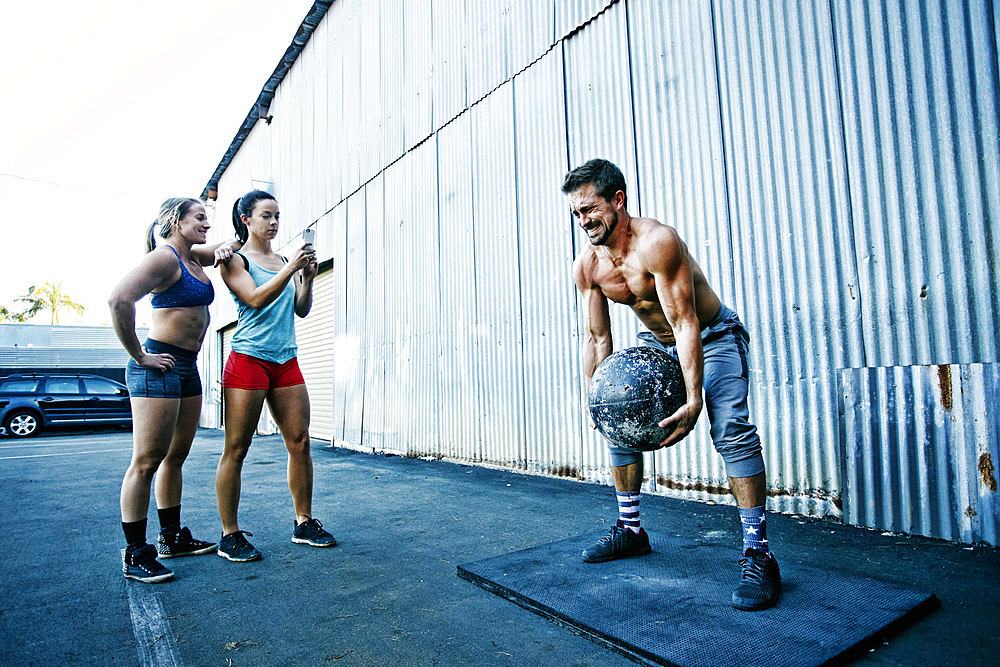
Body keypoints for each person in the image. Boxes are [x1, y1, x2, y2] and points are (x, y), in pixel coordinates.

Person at [564, 159, 780, 611]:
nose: (583, 222)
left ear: (618, 200)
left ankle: (758, 553)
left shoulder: (657, 242)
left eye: (590, 210)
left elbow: (686, 322)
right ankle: (631, 530)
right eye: (576, 214)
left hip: (712, 335)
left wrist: (695, 395)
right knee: (616, 416)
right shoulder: (588, 266)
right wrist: (594, 397)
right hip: (655, 342)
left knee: (731, 431)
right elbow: (597, 337)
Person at [109, 197, 241, 583]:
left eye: (207, 219)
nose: (206, 224)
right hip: (159, 365)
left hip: (186, 367)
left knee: (175, 457)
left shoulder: (192, 256)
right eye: (199, 218)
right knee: (147, 460)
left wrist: (234, 241)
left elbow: (221, 249)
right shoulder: (165, 258)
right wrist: (140, 355)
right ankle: (135, 553)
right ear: (175, 221)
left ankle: (171, 537)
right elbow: (119, 299)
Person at [214, 189, 336, 562]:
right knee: (237, 448)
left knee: (299, 442)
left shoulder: (285, 259)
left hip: (286, 359)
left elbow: (300, 310)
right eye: (266, 215)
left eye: (278, 216)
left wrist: (309, 279)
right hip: (249, 359)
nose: (274, 222)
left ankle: (304, 521)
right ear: (246, 219)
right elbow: (253, 299)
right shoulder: (234, 260)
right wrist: (289, 270)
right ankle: (229, 534)